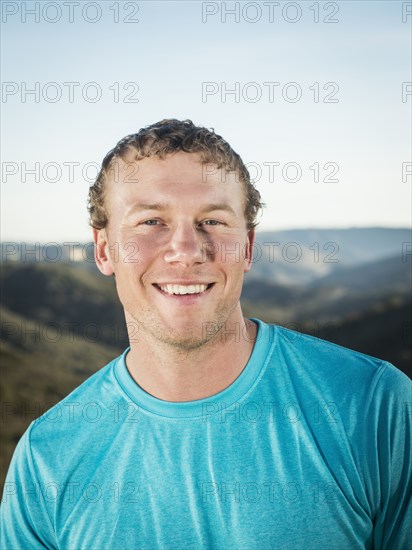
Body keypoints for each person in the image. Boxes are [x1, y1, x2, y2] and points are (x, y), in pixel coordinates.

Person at [1, 119, 411, 549]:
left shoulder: (373, 407)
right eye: (151, 221)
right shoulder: (47, 457)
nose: (187, 250)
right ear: (104, 250)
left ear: (248, 247)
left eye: (212, 221)